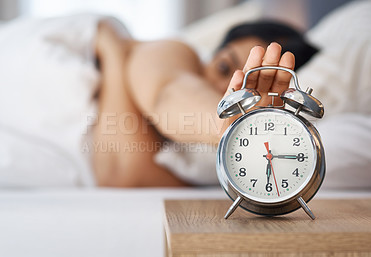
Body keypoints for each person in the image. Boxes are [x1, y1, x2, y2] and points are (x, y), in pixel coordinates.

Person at [92, 19, 318, 187]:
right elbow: (167, 94)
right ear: (211, 56)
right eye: (223, 68)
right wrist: (228, 123)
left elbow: (119, 173)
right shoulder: (176, 52)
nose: (227, 89)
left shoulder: (214, 166)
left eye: (248, 88)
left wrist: (114, 55)